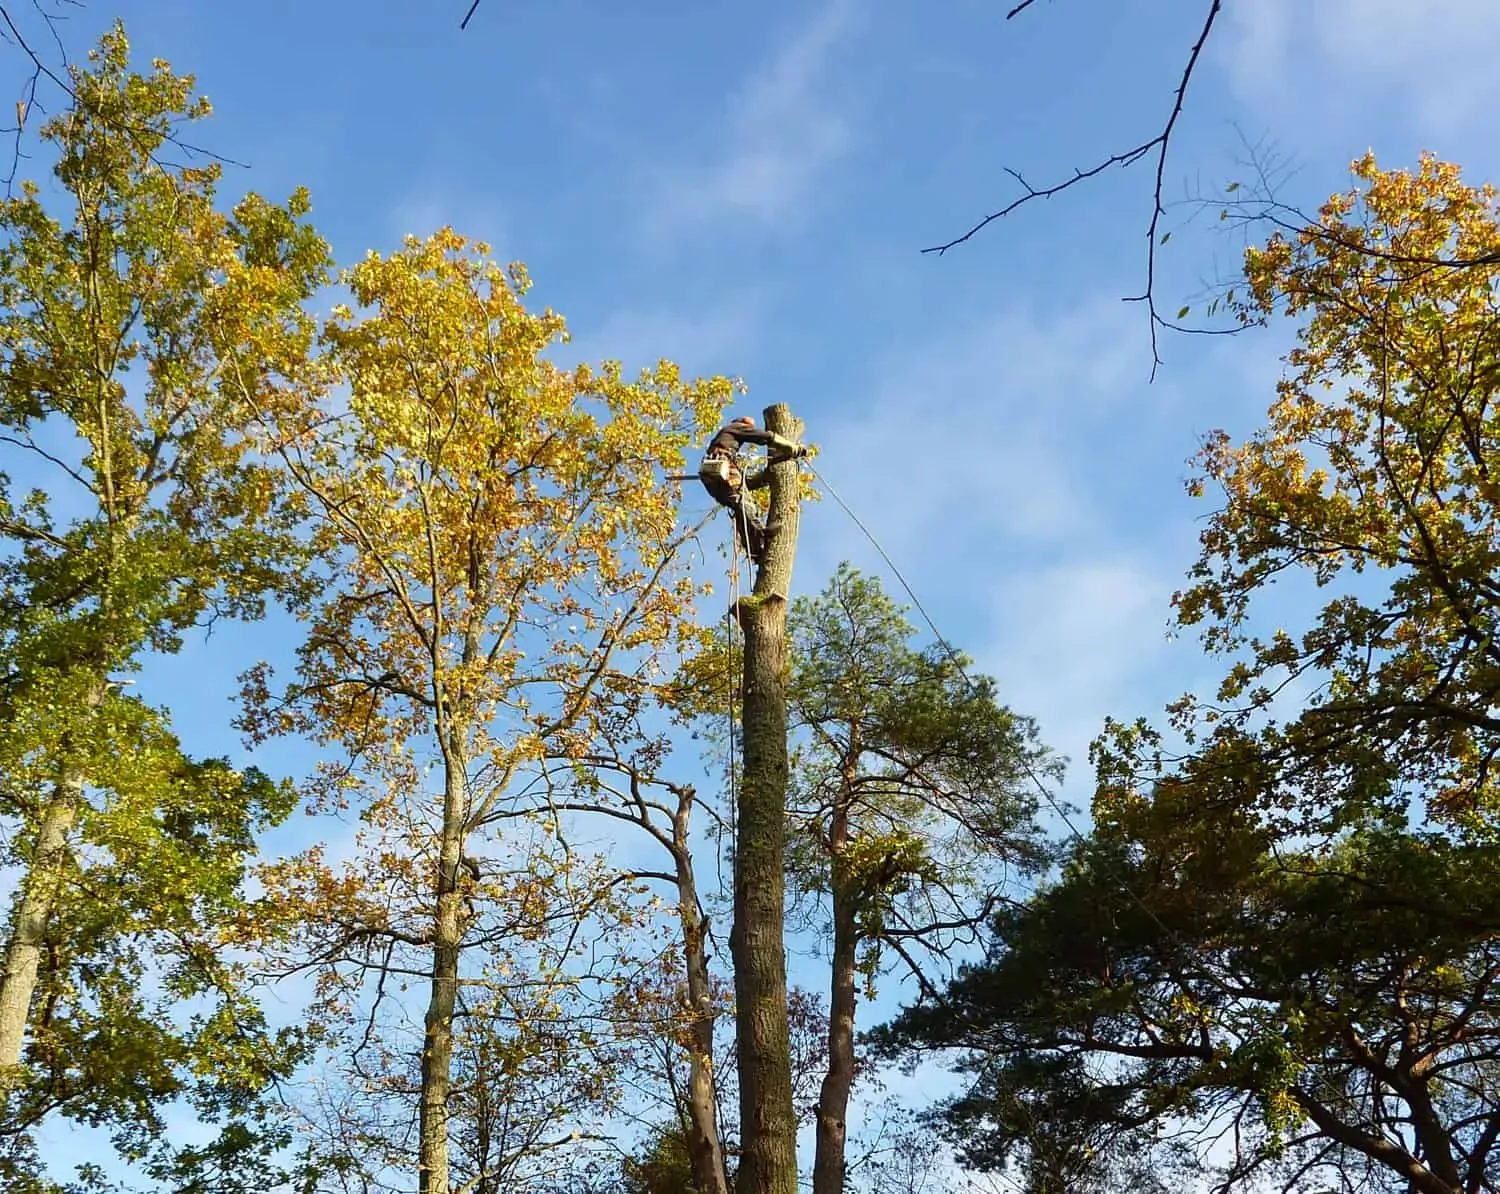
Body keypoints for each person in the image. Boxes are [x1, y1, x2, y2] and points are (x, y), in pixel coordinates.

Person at [698, 415, 806, 563]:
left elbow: (745, 484)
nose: (749, 430)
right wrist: (791, 447)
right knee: (745, 503)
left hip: (711, 479)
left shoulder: (723, 442)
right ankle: (762, 533)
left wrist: (765, 477)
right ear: (741, 424)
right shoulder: (735, 428)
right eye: (748, 427)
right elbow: (766, 436)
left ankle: (755, 552)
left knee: (739, 507)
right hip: (722, 469)